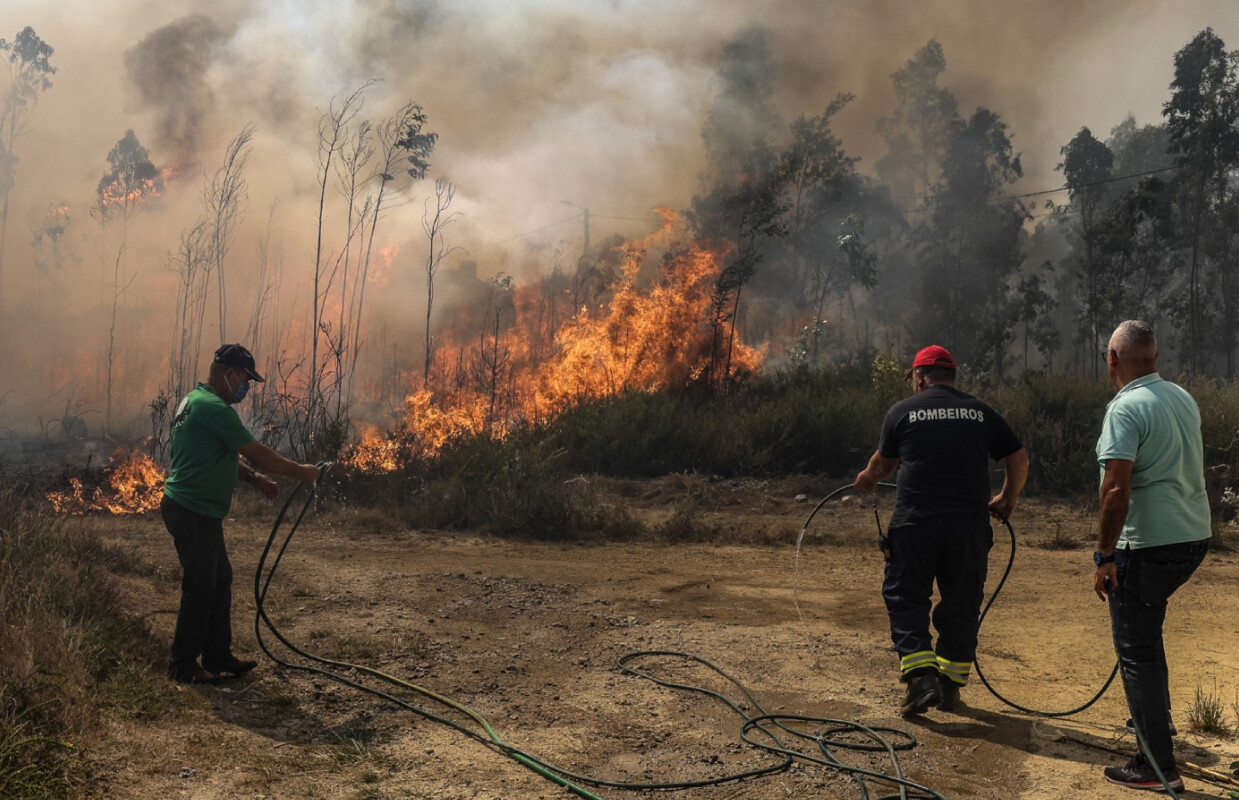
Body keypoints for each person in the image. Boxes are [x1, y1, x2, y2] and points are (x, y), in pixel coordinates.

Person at [854, 344, 1028, 716]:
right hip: (968, 528)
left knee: (906, 597)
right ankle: (948, 687)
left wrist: (866, 479)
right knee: (962, 603)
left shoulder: (902, 411)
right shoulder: (981, 412)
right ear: (952, 375)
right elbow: (1019, 457)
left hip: (915, 526)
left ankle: (921, 680)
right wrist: (1008, 497)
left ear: (919, 377)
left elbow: (883, 465)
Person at [1093, 320, 1210, 792]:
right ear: (1154, 357)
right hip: (1192, 538)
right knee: (1146, 630)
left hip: (1147, 545)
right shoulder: (1181, 397)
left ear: (1112, 359)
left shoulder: (1125, 408)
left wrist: (1104, 555)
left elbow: (1115, 489)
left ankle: (1156, 767)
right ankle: (1158, 721)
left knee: (1136, 650)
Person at [162, 344, 321, 685]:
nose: (246, 388)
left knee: (220, 579)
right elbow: (258, 453)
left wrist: (253, 478)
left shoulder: (194, 400)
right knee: (201, 585)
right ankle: (182, 664)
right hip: (192, 509)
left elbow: (215, 452)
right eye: (245, 380)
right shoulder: (216, 409)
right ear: (229, 374)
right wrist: (301, 472)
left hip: (193, 508)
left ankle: (217, 655)